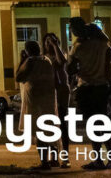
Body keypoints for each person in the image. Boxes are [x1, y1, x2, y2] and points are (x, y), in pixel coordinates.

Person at [67, 17, 111, 171]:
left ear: (76, 30)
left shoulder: (78, 47)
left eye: (72, 29)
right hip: (102, 87)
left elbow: (70, 69)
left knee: (92, 125)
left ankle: (98, 159)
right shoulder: (103, 44)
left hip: (86, 87)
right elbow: (109, 63)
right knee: (104, 122)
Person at [15, 40, 58, 170]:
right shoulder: (47, 60)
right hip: (49, 98)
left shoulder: (30, 61)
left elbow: (18, 77)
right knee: (49, 129)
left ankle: (44, 162)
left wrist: (23, 59)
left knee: (38, 131)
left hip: (35, 99)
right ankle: (54, 159)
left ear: (28, 50)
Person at [43, 32, 72, 168]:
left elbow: (62, 62)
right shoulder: (43, 58)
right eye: (47, 41)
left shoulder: (60, 54)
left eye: (52, 41)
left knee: (62, 123)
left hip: (60, 92)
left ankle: (65, 157)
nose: (48, 44)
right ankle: (54, 156)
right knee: (50, 125)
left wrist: (55, 45)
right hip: (48, 93)